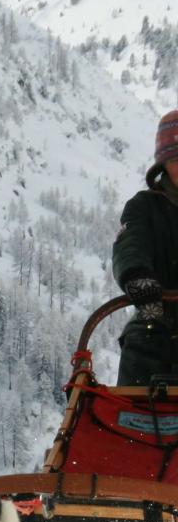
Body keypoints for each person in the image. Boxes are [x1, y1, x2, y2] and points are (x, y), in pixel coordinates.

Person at [113, 109, 178, 385]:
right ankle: (131, 423)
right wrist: (137, 277)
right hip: (156, 313)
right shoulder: (144, 207)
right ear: (164, 164)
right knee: (143, 340)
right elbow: (130, 243)